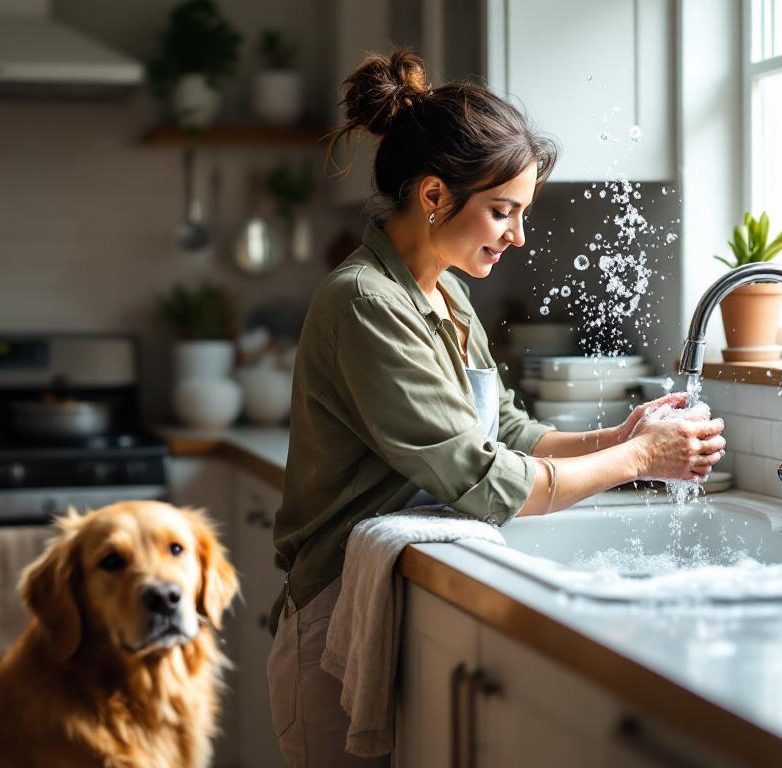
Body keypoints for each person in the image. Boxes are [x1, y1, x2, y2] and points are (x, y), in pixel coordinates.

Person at [266, 49, 725, 767]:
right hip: (334, 614)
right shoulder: (365, 303)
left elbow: (503, 428)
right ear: (433, 197)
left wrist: (618, 434)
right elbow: (485, 482)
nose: (517, 235)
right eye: (503, 211)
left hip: (389, 591)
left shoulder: (445, 292)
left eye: (521, 213)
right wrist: (639, 458)